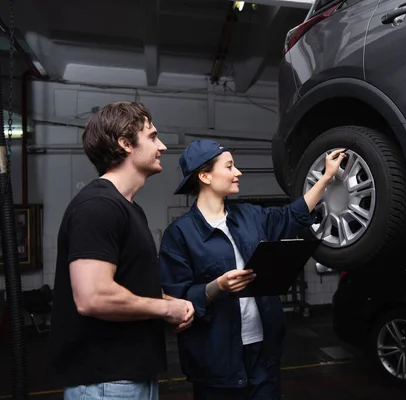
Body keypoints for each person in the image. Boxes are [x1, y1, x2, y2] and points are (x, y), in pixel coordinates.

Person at [158, 139, 346, 400]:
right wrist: (217, 287)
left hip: (263, 353)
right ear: (205, 176)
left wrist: (326, 177)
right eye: (230, 166)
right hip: (216, 361)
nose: (238, 173)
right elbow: (176, 301)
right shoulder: (179, 235)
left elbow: (292, 215)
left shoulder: (250, 216)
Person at [48, 102, 195, 400]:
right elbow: (94, 297)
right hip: (106, 383)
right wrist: (167, 308)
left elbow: (128, 286)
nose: (163, 146)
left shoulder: (129, 209)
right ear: (126, 143)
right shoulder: (97, 207)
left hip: (131, 376)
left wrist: (170, 302)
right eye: (152, 137)